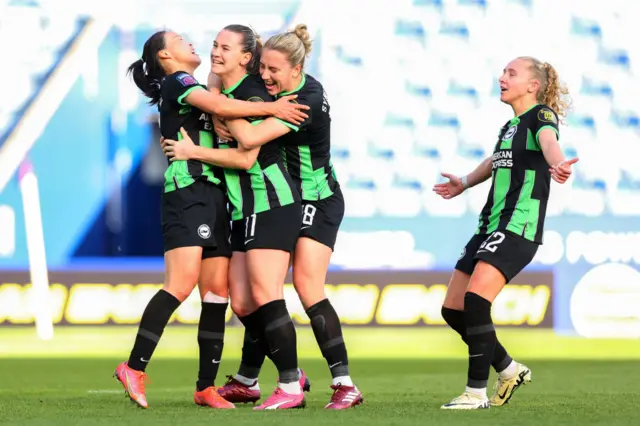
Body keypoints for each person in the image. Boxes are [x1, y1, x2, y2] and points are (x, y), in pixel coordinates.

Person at [113, 29, 309, 410]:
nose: (193, 43)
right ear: (166, 56)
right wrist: (272, 108)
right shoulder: (178, 81)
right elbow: (219, 107)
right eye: (181, 40)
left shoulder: (202, 85)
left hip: (217, 196)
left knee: (217, 292)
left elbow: (222, 98)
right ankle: (134, 366)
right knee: (180, 283)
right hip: (189, 191)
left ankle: (206, 387)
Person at [211, 24, 364, 410]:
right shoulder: (274, 89)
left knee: (306, 287)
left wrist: (226, 117)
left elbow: (249, 139)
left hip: (317, 198)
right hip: (285, 197)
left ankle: (344, 382)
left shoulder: (306, 98)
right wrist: (217, 100)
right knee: (250, 299)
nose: (264, 76)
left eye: (273, 71)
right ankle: (256, 376)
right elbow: (220, 74)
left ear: (297, 69)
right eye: (262, 68)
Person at [434, 56, 578, 410]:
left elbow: (549, 142)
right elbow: (496, 160)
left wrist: (557, 162)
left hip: (517, 226)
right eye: (503, 72)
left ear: (533, 85)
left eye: (511, 73)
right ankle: (509, 369)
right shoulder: (511, 125)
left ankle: (475, 393)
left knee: (476, 301)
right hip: (489, 226)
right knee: (453, 310)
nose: (502, 77)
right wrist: (465, 182)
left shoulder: (541, 116)